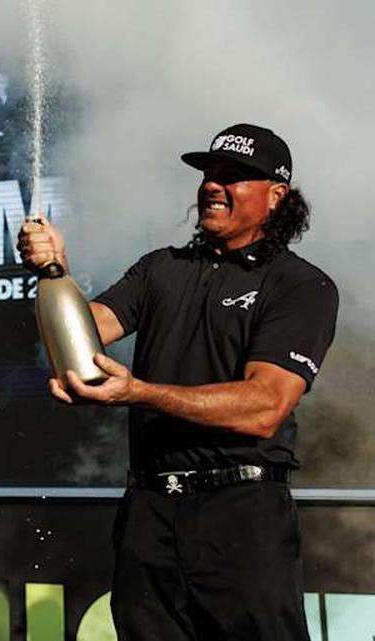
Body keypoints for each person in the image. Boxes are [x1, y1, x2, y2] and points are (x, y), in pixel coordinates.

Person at [19, 123, 338, 640]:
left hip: (240, 514)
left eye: (233, 176)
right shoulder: (160, 269)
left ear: (276, 196)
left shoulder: (300, 285)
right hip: (149, 512)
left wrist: (139, 392)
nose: (213, 184)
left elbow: (265, 406)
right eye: (209, 173)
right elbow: (88, 331)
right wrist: (55, 269)